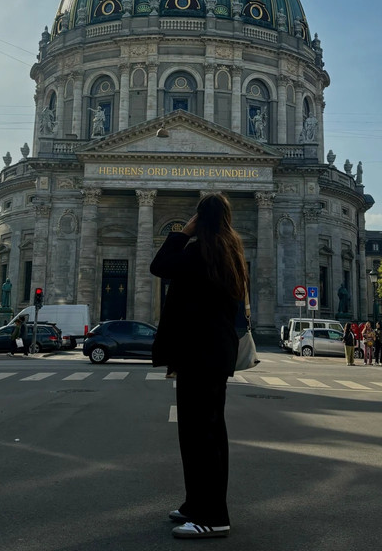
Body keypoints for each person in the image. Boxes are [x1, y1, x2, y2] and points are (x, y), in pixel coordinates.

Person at [150, 193, 248, 540]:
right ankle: (196, 504)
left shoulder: (200, 253)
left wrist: (182, 232)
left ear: (200, 220)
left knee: (202, 436)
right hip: (211, 353)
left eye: (195, 217)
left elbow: (159, 266)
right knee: (200, 434)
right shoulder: (229, 252)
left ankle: (214, 516)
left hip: (201, 354)